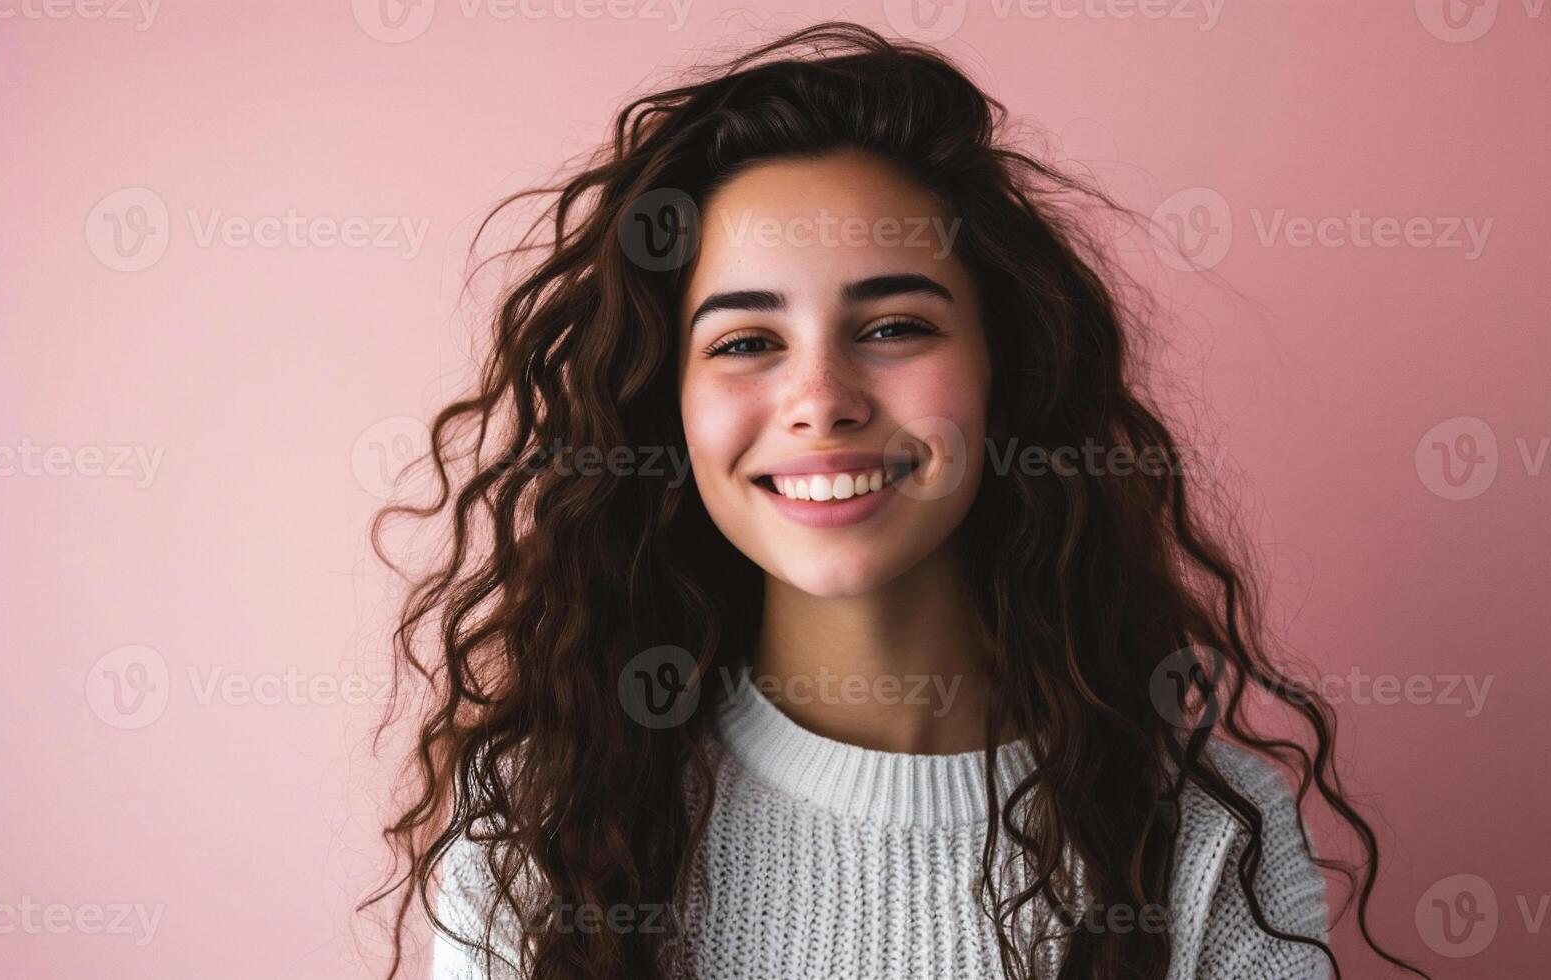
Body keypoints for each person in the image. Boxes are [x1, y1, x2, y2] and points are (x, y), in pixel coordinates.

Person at [363, 21, 1428, 980]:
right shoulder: (545, 819)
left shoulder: (1205, 837)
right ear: (667, 414)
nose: (821, 401)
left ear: (1007, 369)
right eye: (746, 343)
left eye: (893, 327)